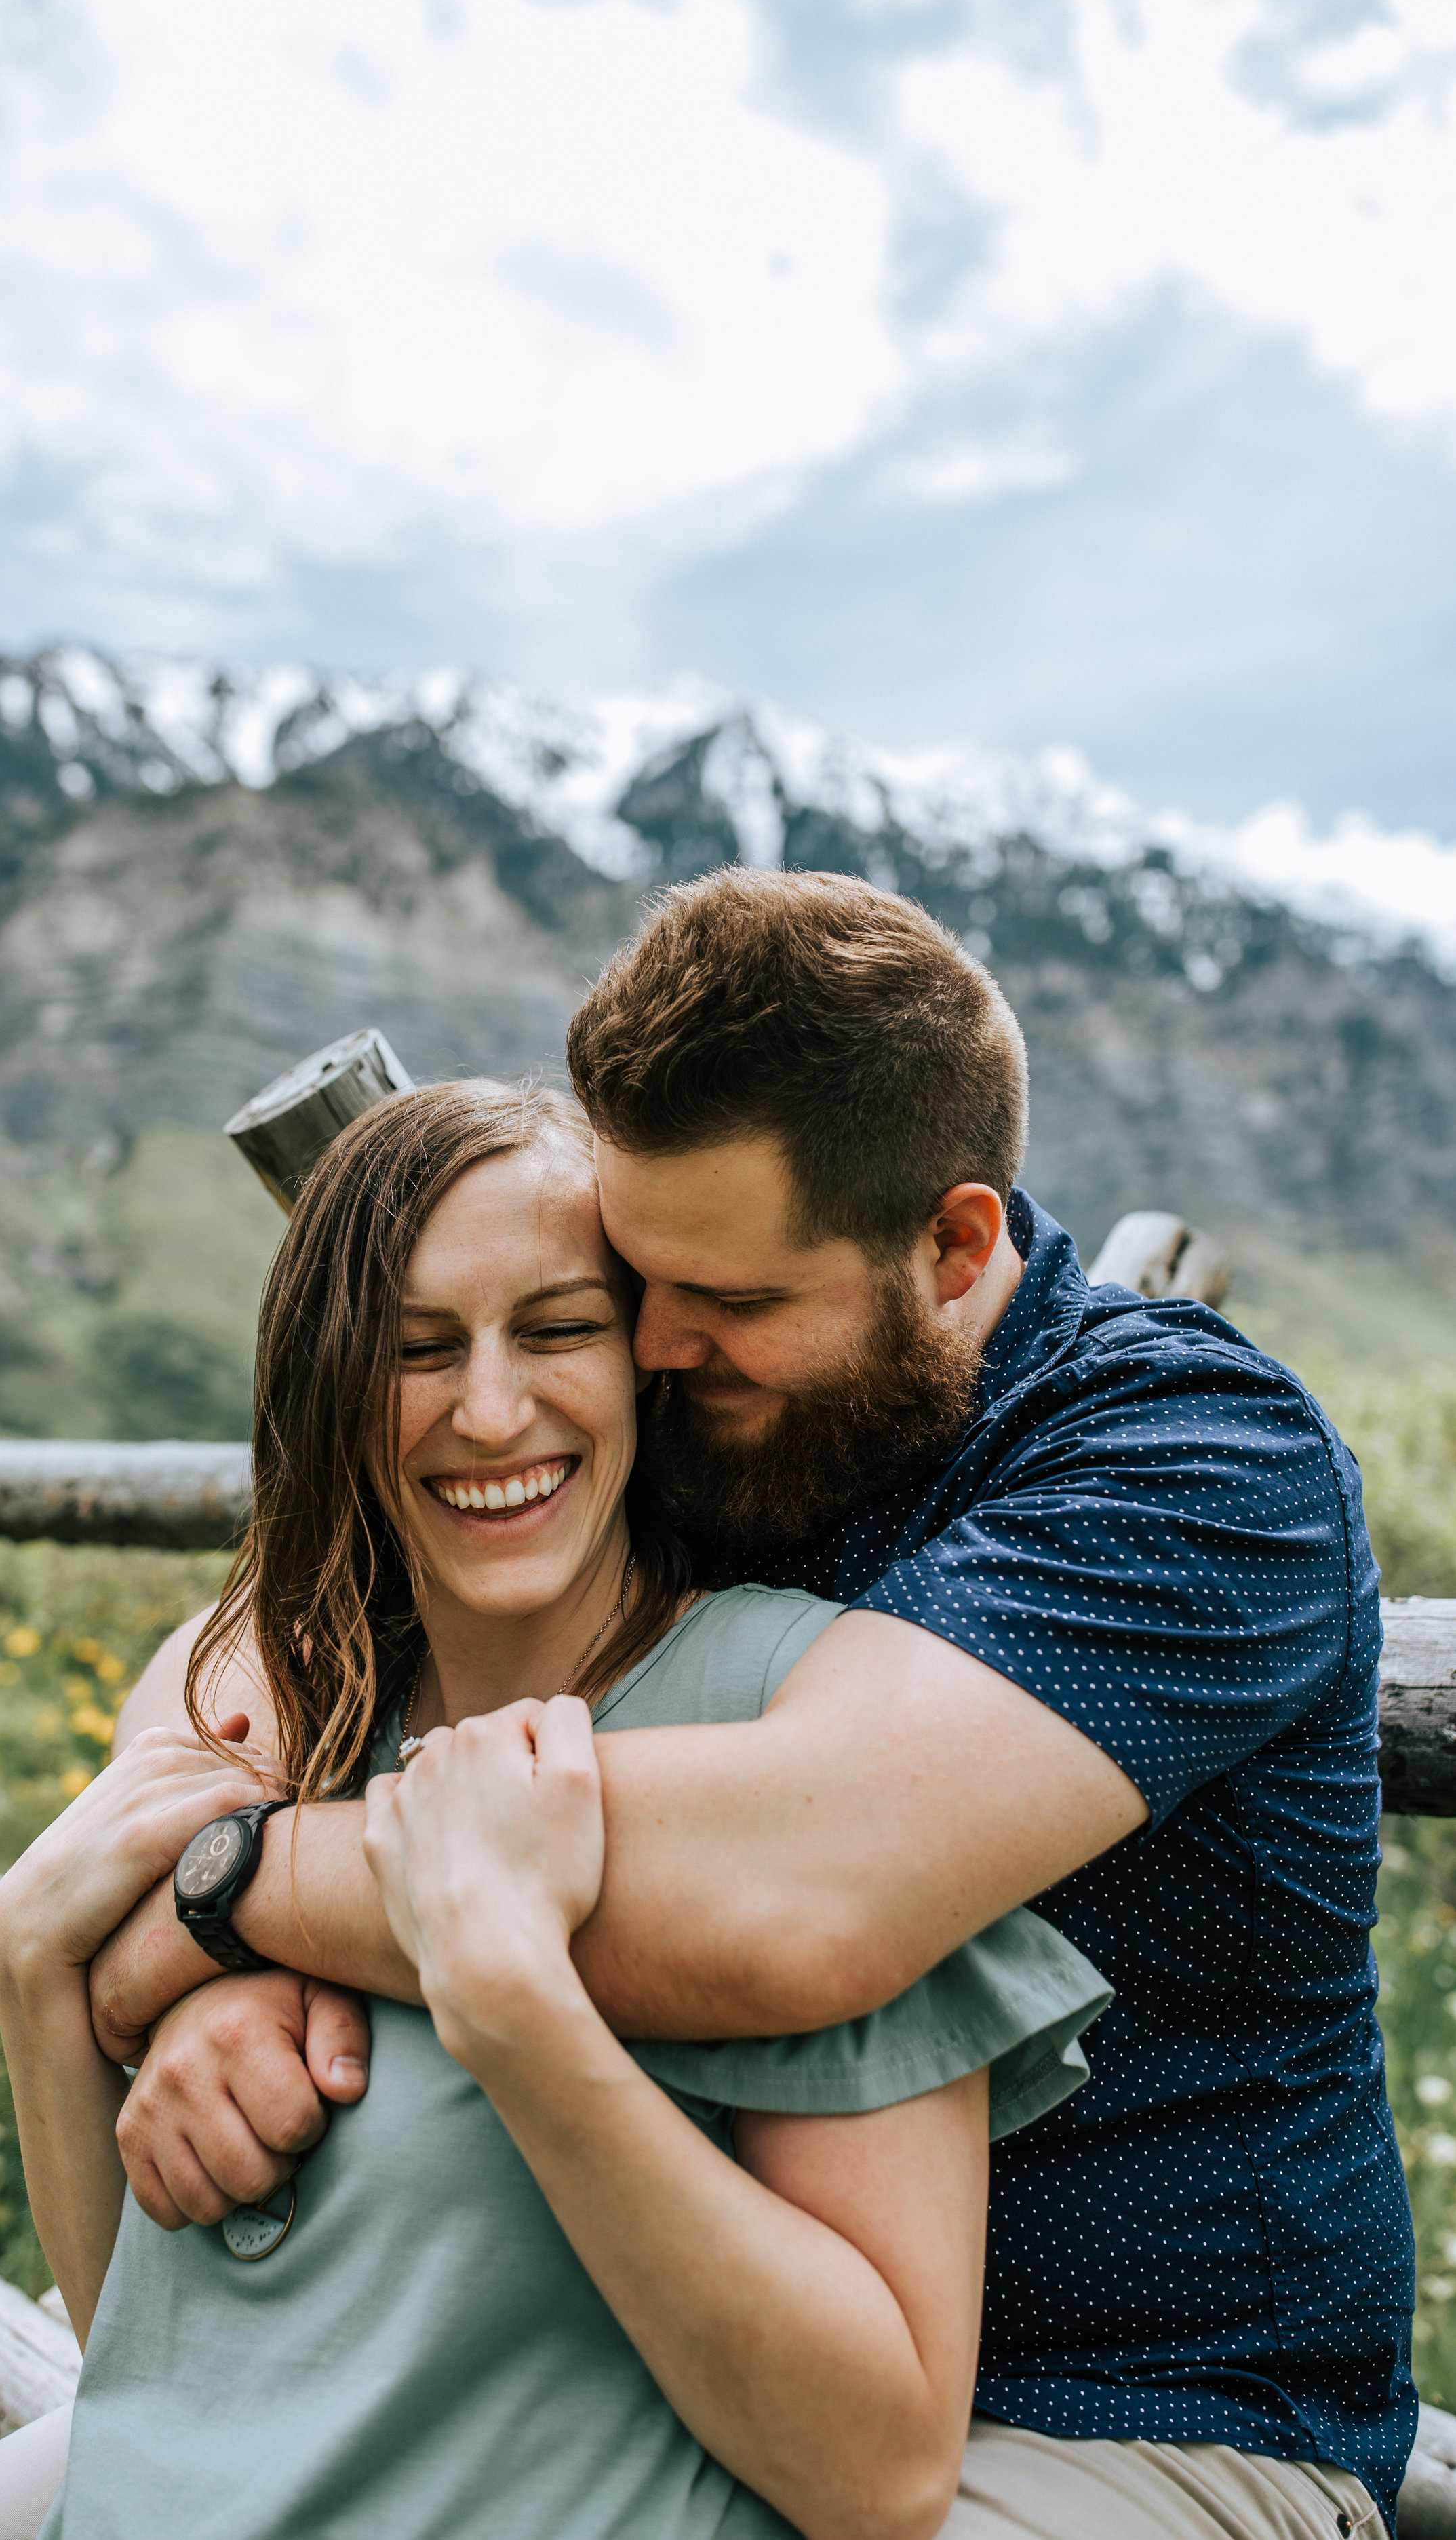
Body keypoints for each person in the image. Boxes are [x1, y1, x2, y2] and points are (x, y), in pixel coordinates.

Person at [85, 868, 1413, 2540]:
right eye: (634, 1279)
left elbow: (789, 1897)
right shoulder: (724, 1405)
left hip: (1127, 2420)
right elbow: (278, 1628)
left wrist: (220, 1898)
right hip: (648, 2367)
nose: (650, 1344)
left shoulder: (1199, 1470)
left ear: (951, 1246)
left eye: (727, 1302)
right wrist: (211, 1880)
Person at [0, 1075, 1108, 2540]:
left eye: (557, 1328)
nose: (490, 1410)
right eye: (412, 1350)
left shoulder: (785, 1732)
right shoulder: (275, 1735)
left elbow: (878, 2472)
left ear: (650, 1357)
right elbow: (151, 2373)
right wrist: (36, 1981)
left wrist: (510, 1998)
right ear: (328, 1385)